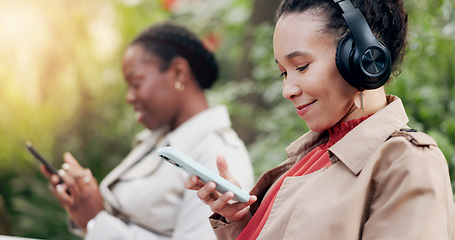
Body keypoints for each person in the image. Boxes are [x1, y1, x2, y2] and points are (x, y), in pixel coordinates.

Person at [185, 0, 455, 239]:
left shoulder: (408, 161)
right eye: (284, 73)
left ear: (360, 58)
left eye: (301, 66)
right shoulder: (308, 160)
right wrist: (241, 221)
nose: (287, 90)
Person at [41, 21, 254, 239]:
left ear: (178, 73)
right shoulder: (156, 141)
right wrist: (81, 202)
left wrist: (96, 220)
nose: (129, 97)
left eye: (136, 83)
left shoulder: (217, 155)